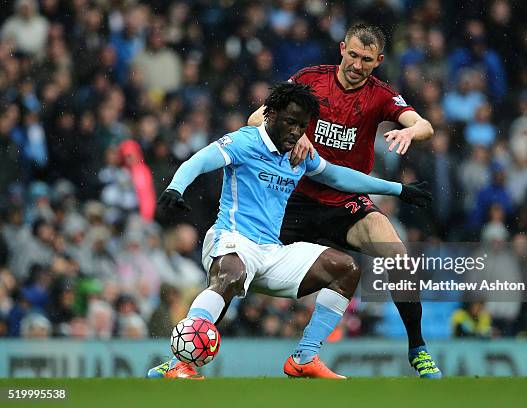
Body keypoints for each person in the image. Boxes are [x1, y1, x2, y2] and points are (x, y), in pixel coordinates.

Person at [147, 82, 431, 379]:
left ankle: (305, 357)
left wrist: (397, 189)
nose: (296, 132)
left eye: (302, 126)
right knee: (229, 275)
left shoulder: (298, 153)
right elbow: (199, 160)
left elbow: (338, 177)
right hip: (232, 239)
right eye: (290, 123)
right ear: (270, 115)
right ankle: (180, 362)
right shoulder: (245, 142)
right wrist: (176, 187)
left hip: (271, 251)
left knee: (346, 268)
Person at [248, 23, 441, 378]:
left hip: (345, 201)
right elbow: (257, 116)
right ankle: (188, 349)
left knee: (398, 258)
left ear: (378, 60)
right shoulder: (310, 79)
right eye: (352, 55)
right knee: (238, 261)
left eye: (366, 59)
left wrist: (412, 130)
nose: (357, 64)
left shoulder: (380, 95)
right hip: (294, 197)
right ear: (341, 49)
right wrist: (294, 132)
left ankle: (418, 348)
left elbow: (425, 125)